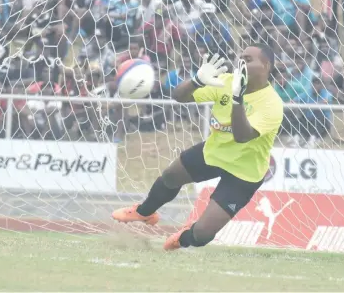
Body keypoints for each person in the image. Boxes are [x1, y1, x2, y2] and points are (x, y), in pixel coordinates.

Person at [111, 44, 284, 251]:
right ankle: (145, 211)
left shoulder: (272, 104)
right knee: (170, 177)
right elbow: (179, 97)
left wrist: (238, 100)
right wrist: (197, 81)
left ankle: (182, 238)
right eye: (240, 58)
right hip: (214, 152)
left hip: (244, 173)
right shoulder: (226, 82)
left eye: (248, 60)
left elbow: (241, 137)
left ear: (265, 65)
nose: (241, 63)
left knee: (202, 235)